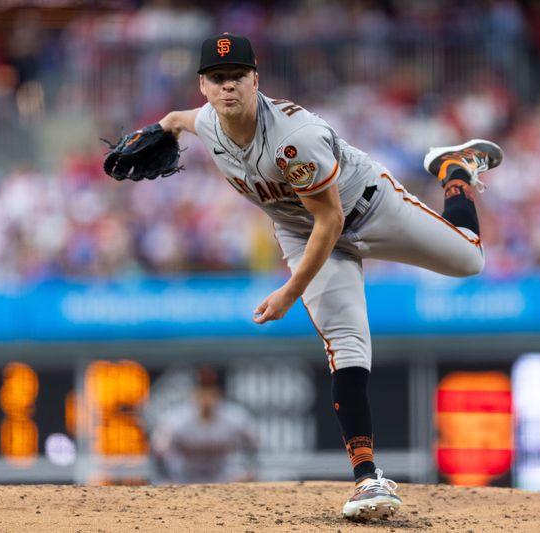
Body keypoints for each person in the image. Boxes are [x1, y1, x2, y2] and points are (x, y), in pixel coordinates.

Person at [155, 33, 503, 520]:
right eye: (217, 78)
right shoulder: (209, 120)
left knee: (470, 261)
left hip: (367, 208)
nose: (227, 87)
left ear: (256, 79)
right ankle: (367, 477)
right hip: (301, 230)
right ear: (203, 85)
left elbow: (331, 221)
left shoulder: (293, 138)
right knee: (346, 343)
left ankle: (453, 168)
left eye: (237, 76)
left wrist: (289, 292)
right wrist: (165, 128)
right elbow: (180, 119)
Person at [150, 366, 259, 483]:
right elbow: (158, 451)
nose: (206, 399)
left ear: (220, 394)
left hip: (223, 477)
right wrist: (165, 478)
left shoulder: (236, 417)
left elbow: (253, 445)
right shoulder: (175, 419)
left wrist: (249, 470)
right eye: (202, 392)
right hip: (184, 478)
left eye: (212, 393)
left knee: (247, 480)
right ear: (193, 393)